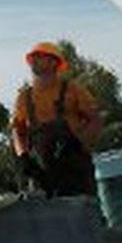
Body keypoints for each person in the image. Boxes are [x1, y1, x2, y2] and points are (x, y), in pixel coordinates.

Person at [11, 41, 104, 197]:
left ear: (53, 62)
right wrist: (23, 157)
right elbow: (18, 131)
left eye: (39, 57)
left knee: (84, 208)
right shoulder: (24, 97)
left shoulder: (72, 89)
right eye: (32, 58)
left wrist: (82, 144)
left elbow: (95, 119)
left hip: (74, 165)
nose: (33, 61)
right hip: (42, 169)